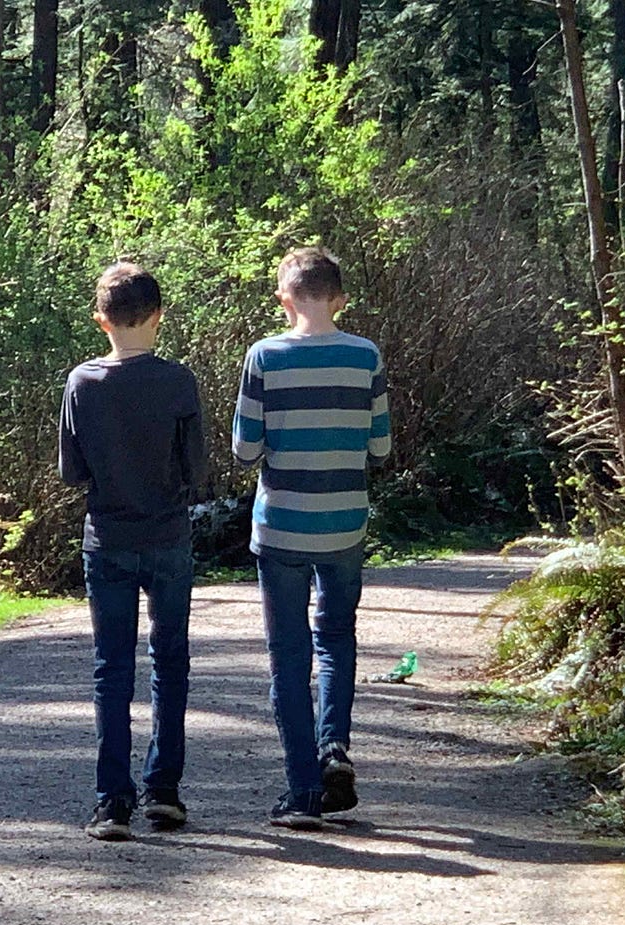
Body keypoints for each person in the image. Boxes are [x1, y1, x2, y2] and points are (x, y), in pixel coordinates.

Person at [231, 246, 391, 830]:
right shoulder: (365, 356)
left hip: (281, 525)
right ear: (341, 299)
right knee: (337, 638)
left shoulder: (265, 356)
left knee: (288, 653)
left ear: (284, 299)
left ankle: (301, 792)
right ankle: (334, 748)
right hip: (345, 521)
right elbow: (380, 447)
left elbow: (245, 450)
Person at [59, 262, 207, 841]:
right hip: (167, 535)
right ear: (159, 317)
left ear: (102, 322)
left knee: (111, 667)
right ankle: (164, 790)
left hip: (108, 537)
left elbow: (72, 472)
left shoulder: (83, 382)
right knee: (170, 662)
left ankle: (111, 801)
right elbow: (196, 468)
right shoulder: (177, 381)